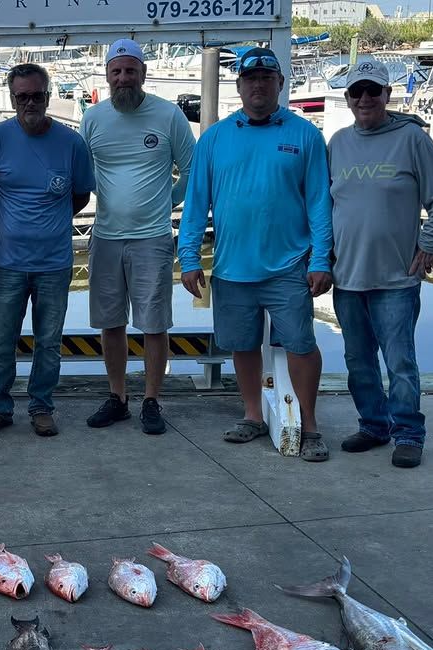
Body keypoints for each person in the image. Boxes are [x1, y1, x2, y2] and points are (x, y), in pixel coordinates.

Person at [178, 47, 333, 461]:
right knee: (242, 345)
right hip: (232, 267)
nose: (259, 85)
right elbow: (196, 203)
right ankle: (252, 415)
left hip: (289, 266)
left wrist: (321, 259)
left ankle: (310, 424)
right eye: (251, 79)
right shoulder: (214, 138)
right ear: (240, 86)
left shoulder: (306, 135)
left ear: (280, 84)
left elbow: (320, 202)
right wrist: (188, 255)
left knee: (301, 344)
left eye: (267, 78)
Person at [328, 57, 433, 469]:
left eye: (373, 91)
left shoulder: (412, 139)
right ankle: (374, 425)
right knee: (357, 360)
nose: (365, 98)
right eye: (356, 91)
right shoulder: (339, 142)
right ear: (347, 98)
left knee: (400, 362)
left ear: (387, 94)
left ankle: (409, 433)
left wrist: (430, 241)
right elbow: (325, 204)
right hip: (347, 276)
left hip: (397, 277)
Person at [78, 38, 195, 435]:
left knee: (154, 324)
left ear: (143, 74)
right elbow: (85, 174)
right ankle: (117, 397)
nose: (124, 78)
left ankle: (150, 400)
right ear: (107, 75)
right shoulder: (92, 118)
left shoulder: (168, 115)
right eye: (117, 71)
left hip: (153, 238)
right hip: (107, 237)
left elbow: (192, 171)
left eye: (131, 70)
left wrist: (168, 202)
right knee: (111, 323)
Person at [0, 63, 94, 438]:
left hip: (55, 264)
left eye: (37, 96)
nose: (30, 103)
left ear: (48, 96)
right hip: (8, 263)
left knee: (48, 342)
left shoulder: (72, 143)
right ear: (12, 99)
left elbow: (80, 196)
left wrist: (47, 224)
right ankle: (0, 406)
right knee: (0, 341)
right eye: (22, 96)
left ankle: (42, 407)